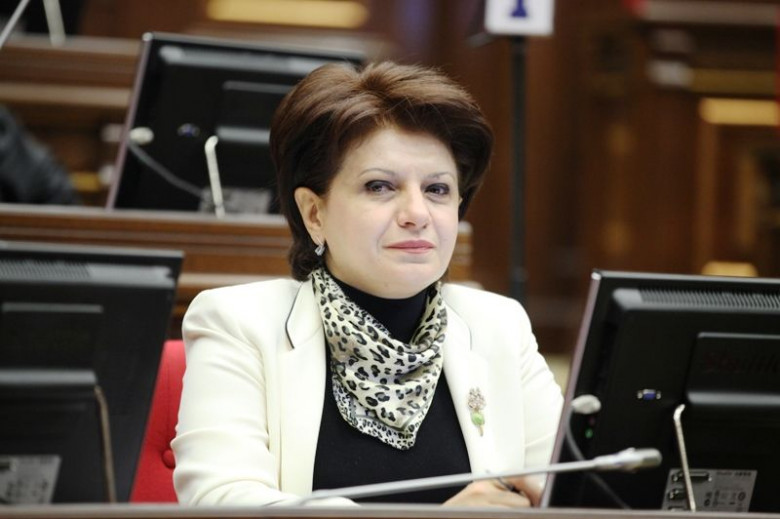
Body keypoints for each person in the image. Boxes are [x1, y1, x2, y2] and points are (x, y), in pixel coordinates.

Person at [172, 61, 563, 507]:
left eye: (437, 190)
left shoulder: (499, 325)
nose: (417, 213)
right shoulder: (239, 324)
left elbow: (573, 488)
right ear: (314, 213)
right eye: (379, 187)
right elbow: (220, 501)